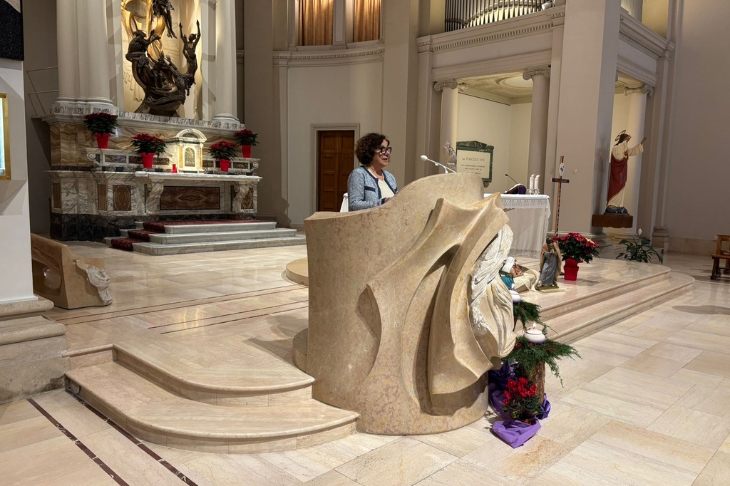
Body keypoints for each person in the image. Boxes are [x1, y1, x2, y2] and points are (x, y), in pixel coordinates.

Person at [347, 133, 398, 211]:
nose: (387, 153)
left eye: (387, 149)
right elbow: (354, 205)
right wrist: (382, 202)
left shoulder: (390, 177)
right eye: (382, 149)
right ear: (370, 151)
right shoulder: (359, 174)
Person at [606, 130, 646, 214]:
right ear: (622, 140)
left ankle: (618, 205)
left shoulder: (624, 149)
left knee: (621, 188)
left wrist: (641, 143)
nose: (627, 142)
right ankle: (612, 205)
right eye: (626, 140)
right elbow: (618, 153)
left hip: (622, 173)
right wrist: (625, 142)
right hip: (616, 173)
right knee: (615, 187)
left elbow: (632, 151)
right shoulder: (616, 148)